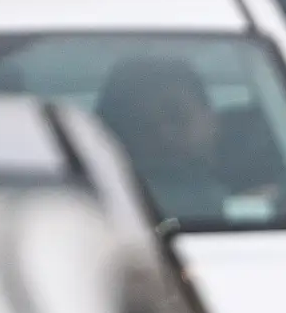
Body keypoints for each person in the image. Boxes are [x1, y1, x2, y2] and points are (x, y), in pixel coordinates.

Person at [95, 55, 232, 220]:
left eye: (177, 116)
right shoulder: (91, 217)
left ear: (211, 119)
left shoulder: (265, 205)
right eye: (143, 125)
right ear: (115, 137)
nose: (163, 134)